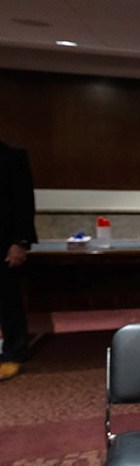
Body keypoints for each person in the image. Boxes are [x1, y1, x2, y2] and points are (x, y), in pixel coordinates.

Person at [0, 141, 38, 382]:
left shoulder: (12, 157)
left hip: (4, 244)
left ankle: (13, 354)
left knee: (7, 301)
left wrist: (21, 242)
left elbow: (24, 203)